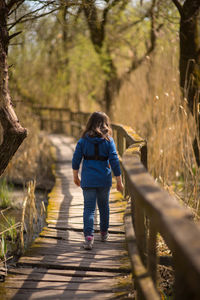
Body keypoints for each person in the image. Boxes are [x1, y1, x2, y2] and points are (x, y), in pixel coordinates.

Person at [72, 111, 123, 250]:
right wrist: (119, 180)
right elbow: (114, 160)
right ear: (105, 124)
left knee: (89, 209)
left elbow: (76, 159)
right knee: (104, 206)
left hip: (88, 180)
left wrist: (75, 176)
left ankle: (88, 237)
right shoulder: (108, 140)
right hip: (104, 179)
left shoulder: (83, 141)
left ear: (90, 123)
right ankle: (104, 233)